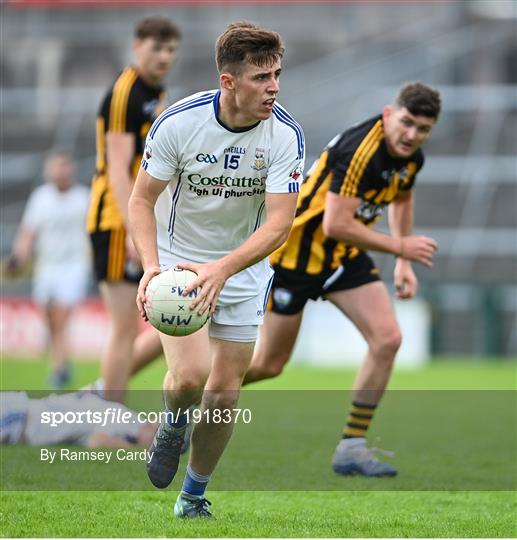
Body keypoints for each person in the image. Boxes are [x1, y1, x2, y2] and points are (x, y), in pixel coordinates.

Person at [128, 22, 304, 518]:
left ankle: (193, 496)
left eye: (277, 75)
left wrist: (224, 270)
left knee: (224, 391)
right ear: (228, 81)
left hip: (242, 268)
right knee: (188, 378)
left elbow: (278, 227)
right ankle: (173, 425)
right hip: (178, 260)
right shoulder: (179, 124)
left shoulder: (285, 136)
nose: (273, 87)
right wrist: (152, 269)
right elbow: (141, 199)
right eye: (261, 77)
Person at [244, 82, 441, 477]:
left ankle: (352, 446)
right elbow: (335, 224)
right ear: (388, 114)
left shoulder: (410, 157)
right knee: (269, 364)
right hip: (295, 257)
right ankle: (191, 398)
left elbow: (401, 198)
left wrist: (403, 263)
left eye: (422, 129)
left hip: (341, 259)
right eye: (406, 123)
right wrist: (400, 250)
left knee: (388, 339)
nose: (412, 135)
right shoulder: (359, 151)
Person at [86, 16, 181, 403]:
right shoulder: (126, 92)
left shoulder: (154, 91)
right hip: (114, 220)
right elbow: (117, 169)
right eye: (157, 48)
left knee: (162, 327)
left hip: (136, 220)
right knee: (125, 328)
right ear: (137, 46)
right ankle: (108, 415)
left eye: (171, 49)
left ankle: (101, 398)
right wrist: (131, 232)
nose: (164, 57)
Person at [8, 151, 90, 388]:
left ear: (70, 170)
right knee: (49, 318)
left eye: (63, 167)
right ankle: (61, 362)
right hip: (47, 267)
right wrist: (20, 256)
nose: (59, 172)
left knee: (61, 316)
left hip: (74, 266)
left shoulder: (82, 197)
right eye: (55, 167)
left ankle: (59, 368)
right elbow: (28, 232)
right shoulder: (41, 198)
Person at [0, 390, 156, 449]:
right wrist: (133, 451)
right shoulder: (127, 419)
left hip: (21, 413)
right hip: (19, 418)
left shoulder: (123, 416)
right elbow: (97, 441)